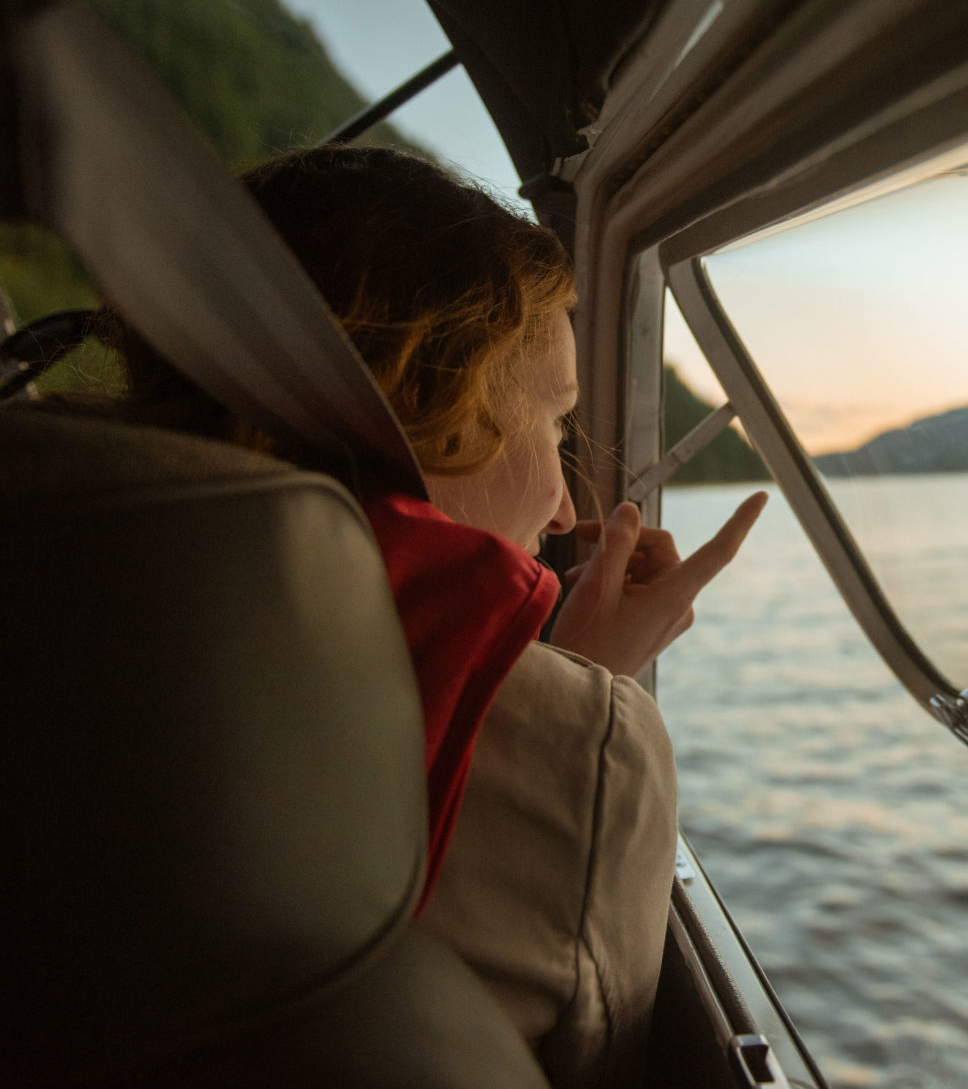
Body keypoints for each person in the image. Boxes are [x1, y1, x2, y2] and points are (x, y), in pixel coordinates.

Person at [101, 145, 765, 1089]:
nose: (564, 505)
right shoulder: (586, 748)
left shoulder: (18, 594)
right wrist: (585, 703)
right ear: (425, 404)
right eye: (555, 424)